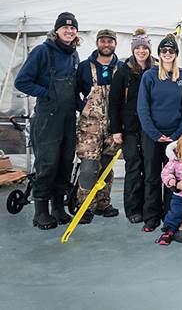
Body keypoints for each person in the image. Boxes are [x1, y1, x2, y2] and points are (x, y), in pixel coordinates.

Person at [14, 12, 80, 230]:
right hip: (47, 118)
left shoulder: (73, 54)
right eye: (65, 28)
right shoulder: (42, 51)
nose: (69, 31)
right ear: (57, 30)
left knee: (64, 163)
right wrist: (46, 93)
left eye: (72, 28)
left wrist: (84, 106)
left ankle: (58, 208)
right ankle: (40, 212)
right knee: (47, 163)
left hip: (69, 117)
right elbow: (22, 81)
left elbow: (74, 88)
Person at [137, 33, 182, 232]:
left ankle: (171, 215)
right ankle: (151, 216)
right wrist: (154, 133)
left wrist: (177, 135)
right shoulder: (149, 76)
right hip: (152, 136)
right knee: (152, 176)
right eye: (164, 51)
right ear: (159, 54)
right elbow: (142, 108)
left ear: (176, 54)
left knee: (173, 177)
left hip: (175, 137)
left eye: (171, 51)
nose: (167, 53)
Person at [74, 28, 121, 224]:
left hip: (113, 126)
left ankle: (103, 203)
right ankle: (84, 206)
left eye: (110, 41)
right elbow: (74, 92)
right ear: (97, 43)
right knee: (89, 166)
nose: (106, 44)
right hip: (90, 128)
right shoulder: (85, 67)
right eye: (103, 41)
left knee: (107, 165)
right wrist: (83, 108)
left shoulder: (122, 67)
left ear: (115, 44)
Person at [109, 28, 154, 224]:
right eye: (138, 47)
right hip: (130, 128)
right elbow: (114, 102)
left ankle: (150, 206)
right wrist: (116, 129)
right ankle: (133, 208)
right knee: (134, 166)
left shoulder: (156, 69)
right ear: (133, 49)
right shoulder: (123, 72)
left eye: (145, 47)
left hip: (151, 127)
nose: (142, 51)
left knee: (150, 167)